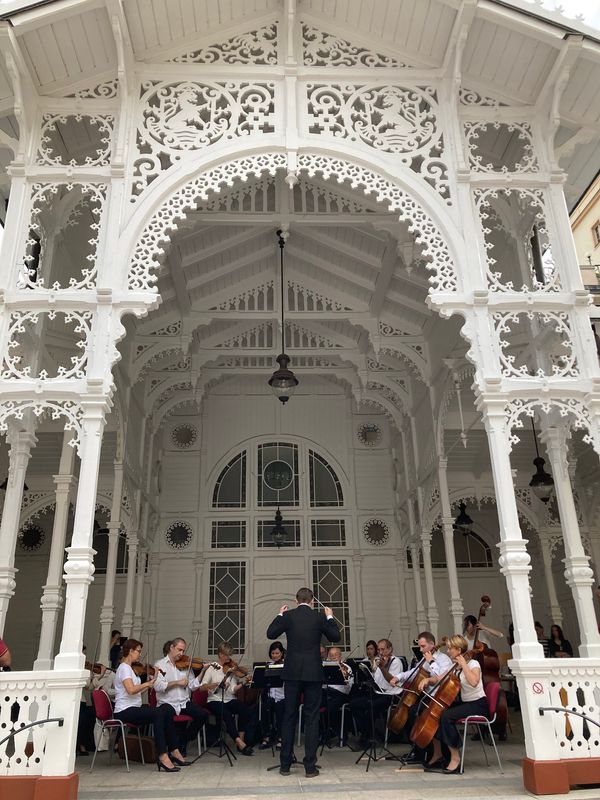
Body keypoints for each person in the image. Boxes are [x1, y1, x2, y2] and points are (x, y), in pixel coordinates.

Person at [266, 586, 340, 778]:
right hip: (313, 673)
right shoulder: (319, 617)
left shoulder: (289, 616)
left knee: (289, 716)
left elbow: (271, 633)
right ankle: (310, 767)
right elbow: (335, 636)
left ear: (296, 600)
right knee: (312, 718)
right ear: (313, 601)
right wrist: (330, 616)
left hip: (291, 673)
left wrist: (280, 615)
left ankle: (285, 764)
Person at [113, 638, 186, 772]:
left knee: (165, 711)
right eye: (138, 651)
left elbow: (136, 692)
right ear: (130, 651)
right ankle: (163, 755)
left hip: (134, 707)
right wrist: (147, 684)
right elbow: (131, 690)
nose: (140, 654)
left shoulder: (130, 668)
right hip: (124, 710)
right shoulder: (124, 668)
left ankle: (174, 750)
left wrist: (152, 681)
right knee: (158, 713)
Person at [421, 634, 489, 775]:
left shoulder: (473, 664)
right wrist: (427, 680)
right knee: (436, 714)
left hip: (478, 704)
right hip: (465, 703)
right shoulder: (454, 666)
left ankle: (455, 758)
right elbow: (439, 678)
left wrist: (464, 664)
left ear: (458, 650)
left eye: (450, 648)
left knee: (446, 716)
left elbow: (474, 682)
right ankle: (440, 754)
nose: (448, 651)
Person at [395, 631, 453, 766]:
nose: (421, 650)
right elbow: (414, 672)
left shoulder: (444, 659)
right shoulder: (424, 658)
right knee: (409, 714)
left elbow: (441, 678)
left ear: (432, 644)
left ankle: (428, 752)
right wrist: (399, 676)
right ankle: (419, 751)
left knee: (417, 714)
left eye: (423, 646)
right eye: (419, 647)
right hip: (426, 696)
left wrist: (431, 661)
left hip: (438, 697)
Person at [153, 638, 210, 755]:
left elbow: (193, 686)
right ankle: (175, 748)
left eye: (183, 651)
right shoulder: (160, 665)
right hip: (167, 703)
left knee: (203, 715)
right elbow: (158, 686)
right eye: (179, 650)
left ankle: (184, 739)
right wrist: (177, 682)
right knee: (171, 721)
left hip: (183, 702)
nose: (182, 654)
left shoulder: (185, 665)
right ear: (171, 648)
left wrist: (203, 671)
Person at [200, 641, 256, 756]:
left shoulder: (231, 669)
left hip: (229, 699)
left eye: (230, 655)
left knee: (244, 709)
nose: (228, 658)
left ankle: (241, 738)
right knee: (226, 715)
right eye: (226, 655)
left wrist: (243, 683)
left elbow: (232, 689)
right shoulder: (212, 668)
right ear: (220, 654)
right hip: (214, 700)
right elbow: (202, 687)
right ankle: (240, 743)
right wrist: (216, 684)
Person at [349, 638, 405, 746]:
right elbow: (376, 680)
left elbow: (392, 681)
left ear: (390, 649)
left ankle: (368, 738)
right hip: (378, 692)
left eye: (383, 649)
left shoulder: (396, 662)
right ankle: (369, 734)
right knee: (354, 704)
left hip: (390, 694)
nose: (380, 652)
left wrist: (382, 667)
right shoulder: (379, 661)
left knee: (371, 706)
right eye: (379, 650)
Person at [321, 646, 353, 746]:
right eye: (331, 655)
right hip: (326, 692)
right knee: (313, 705)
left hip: (341, 694)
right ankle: (321, 734)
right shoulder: (325, 667)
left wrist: (344, 677)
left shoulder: (346, 668)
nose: (334, 657)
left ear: (340, 655)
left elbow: (348, 688)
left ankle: (339, 733)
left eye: (336, 655)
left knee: (331, 707)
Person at [258, 641, 286, 750]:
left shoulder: (286, 665)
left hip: (282, 696)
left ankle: (281, 738)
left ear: (282, 653)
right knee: (265, 709)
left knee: (280, 713)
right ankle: (267, 737)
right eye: (273, 653)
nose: (274, 655)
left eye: (277, 653)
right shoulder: (268, 665)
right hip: (270, 696)